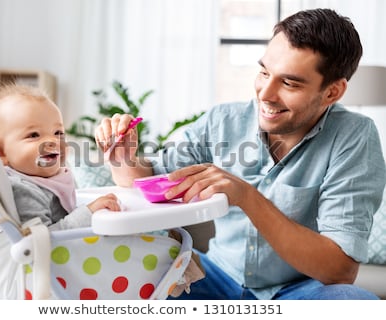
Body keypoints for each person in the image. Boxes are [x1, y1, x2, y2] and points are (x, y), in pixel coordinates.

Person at [95, 8, 386, 299]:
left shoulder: (354, 136)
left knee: (354, 302)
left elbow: (340, 270)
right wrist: (123, 156)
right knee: (136, 267)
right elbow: (149, 181)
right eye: (264, 72)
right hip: (214, 275)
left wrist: (247, 196)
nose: (266, 94)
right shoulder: (222, 121)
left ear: (332, 92)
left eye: (289, 83)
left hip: (298, 290)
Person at [0, 84, 121, 230]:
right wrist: (88, 212)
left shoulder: (57, 175)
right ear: (1, 153)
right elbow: (40, 240)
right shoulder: (23, 190)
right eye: (34, 135)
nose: (53, 141)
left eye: (58, 133)